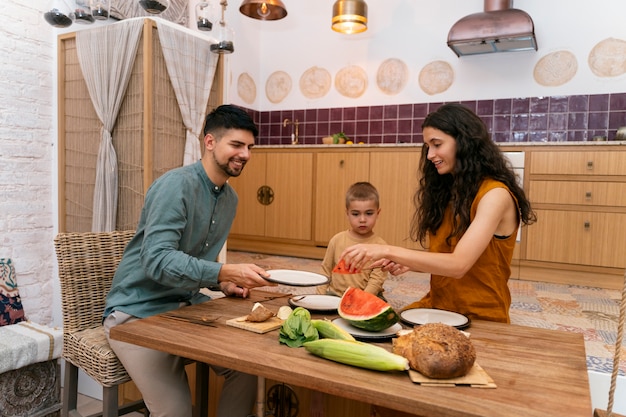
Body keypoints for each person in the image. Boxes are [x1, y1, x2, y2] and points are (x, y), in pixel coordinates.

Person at [103, 104, 274, 417]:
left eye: (250, 147)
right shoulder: (175, 186)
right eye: (236, 145)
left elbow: (195, 262)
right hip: (135, 313)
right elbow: (157, 260)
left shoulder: (230, 199)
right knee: (176, 412)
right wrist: (222, 270)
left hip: (184, 305)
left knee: (248, 366)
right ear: (210, 142)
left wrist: (222, 281)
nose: (245, 154)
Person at [340, 103, 536, 324]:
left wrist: (388, 250)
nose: (430, 155)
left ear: (464, 143)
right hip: (438, 305)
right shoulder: (451, 191)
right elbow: (446, 257)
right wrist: (410, 263)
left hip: (481, 315)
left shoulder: (495, 195)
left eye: (437, 144)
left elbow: (458, 265)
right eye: (427, 146)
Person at [316, 181, 388, 298]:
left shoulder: (381, 246)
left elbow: (376, 280)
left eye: (369, 213)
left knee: (387, 314)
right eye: (355, 214)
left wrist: (362, 300)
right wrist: (319, 296)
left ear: (378, 213)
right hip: (336, 295)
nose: (362, 219)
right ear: (347, 213)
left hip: (368, 296)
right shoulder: (336, 240)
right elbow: (326, 270)